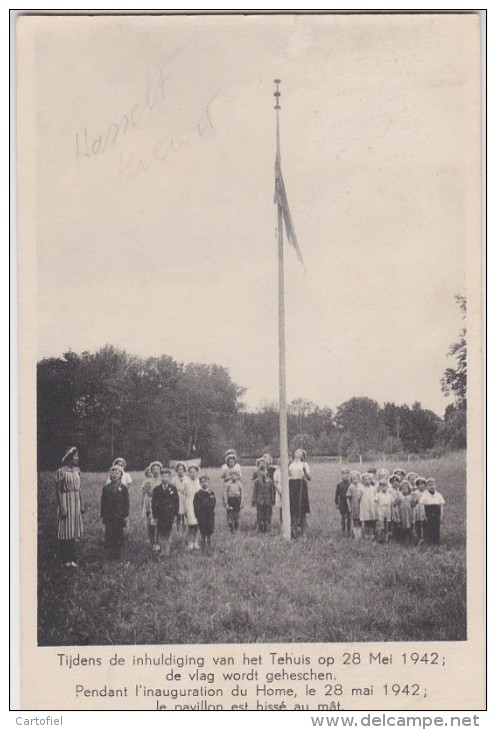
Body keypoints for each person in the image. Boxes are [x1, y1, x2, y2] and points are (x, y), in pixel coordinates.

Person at [55, 446, 84, 567]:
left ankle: (72, 558)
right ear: (69, 457)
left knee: (73, 530)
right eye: (75, 456)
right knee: (65, 530)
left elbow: (79, 488)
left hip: (75, 501)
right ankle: (64, 558)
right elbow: (58, 490)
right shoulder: (61, 472)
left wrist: (81, 504)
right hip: (66, 500)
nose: (77, 458)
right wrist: (62, 506)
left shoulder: (77, 471)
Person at [100, 464, 130, 559]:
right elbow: (103, 503)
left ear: (121, 474)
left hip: (119, 515)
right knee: (109, 533)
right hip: (109, 515)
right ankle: (110, 551)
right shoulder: (106, 488)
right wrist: (103, 516)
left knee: (118, 533)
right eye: (112, 472)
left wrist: (125, 515)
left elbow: (126, 502)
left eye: (117, 473)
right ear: (109, 475)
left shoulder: (123, 487)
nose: (114, 475)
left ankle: (117, 552)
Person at [152, 468, 179, 556]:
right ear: (160, 477)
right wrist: (155, 516)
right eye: (162, 476)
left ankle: (167, 550)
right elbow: (154, 503)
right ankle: (162, 549)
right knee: (161, 532)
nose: (164, 478)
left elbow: (176, 502)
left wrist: (175, 515)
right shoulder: (156, 489)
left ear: (169, 477)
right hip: (160, 514)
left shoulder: (173, 488)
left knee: (168, 532)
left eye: (166, 476)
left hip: (169, 514)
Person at [288, 448, 311, 539]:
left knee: (302, 508)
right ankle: (293, 530)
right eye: (296, 451)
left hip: (301, 484)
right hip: (292, 485)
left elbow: (309, 477)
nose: (297, 452)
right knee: (293, 508)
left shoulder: (304, 464)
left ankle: (303, 531)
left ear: (303, 455)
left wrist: (305, 471)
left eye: (300, 452)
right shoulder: (290, 463)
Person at [141, 461, 162, 550]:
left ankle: (158, 541)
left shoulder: (162, 480)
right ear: (151, 470)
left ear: (160, 470)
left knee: (160, 523)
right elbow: (145, 493)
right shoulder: (147, 482)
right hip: (150, 503)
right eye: (154, 469)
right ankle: (152, 541)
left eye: (157, 469)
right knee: (152, 523)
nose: (156, 471)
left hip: (161, 503)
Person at [194, 475, 216, 553]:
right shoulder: (198, 494)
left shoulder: (211, 493)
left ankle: (209, 545)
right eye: (202, 482)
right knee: (203, 530)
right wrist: (197, 515)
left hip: (210, 515)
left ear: (209, 482)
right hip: (202, 515)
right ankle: (203, 547)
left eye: (206, 481)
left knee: (209, 529)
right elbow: (196, 505)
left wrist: (208, 507)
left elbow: (213, 504)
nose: (204, 484)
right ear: (200, 483)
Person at [420, 478, 446, 545]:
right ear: (427, 486)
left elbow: (441, 506)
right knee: (428, 527)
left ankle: (436, 541)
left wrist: (441, 515)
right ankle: (428, 541)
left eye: (433, 485)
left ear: (435, 485)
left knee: (436, 526)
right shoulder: (425, 495)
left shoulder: (438, 495)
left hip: (436, 511)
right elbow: (422, 505)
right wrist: (424, 515)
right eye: (430, 485)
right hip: (428, 511)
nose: (432, 486)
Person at [251, 462, 273, 534]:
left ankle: (267, 528)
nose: (263, 472)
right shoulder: (257, 481)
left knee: (267, 514)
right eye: (262, 470)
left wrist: (272, 500)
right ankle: (259, 527)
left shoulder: (269, 481)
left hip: (267, 500)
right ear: (259, 471)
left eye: (265, 470)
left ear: (267, 471)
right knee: (259, 514)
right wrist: (253, 501)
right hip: (259, 501)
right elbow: (254, 491)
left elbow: (271, 491)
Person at [223, 467, 244, 534]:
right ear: (230, 476)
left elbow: (242, 494)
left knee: (236, 514)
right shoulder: (227, 484)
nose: (234, 476)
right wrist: (226, 503)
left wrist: (242, 502)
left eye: (235, 475)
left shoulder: (240, 484)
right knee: (230, 513)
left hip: (237, 500)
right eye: (232, 475)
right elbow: (225, 494)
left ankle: (236, 527)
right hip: (230, 500)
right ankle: (230, 527)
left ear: (238, 476)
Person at [185, 464, 201, 550]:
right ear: (188, 473)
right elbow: (184, 494)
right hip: (190, 503)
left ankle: (196, 542)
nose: (192, 474)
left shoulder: (199, 481)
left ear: (197, 472)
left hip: (198, 504)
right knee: (191, 524)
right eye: (190, 472)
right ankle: (190, 542)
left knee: (197, 524)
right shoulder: (186, 482)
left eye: (194, 472)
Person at [375, 478, 394, 543]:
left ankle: (386, 538)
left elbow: (391, 505)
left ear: (387, 487)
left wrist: (392, 513)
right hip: (381, 510)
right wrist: (376, 513)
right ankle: (380, 538)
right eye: (382, 486)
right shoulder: (378, 495)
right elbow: (376, 504)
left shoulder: (390, 495)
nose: (384, 488)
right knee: (381, 526)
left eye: (385, 486)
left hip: (388, 510)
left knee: (387, 525)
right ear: (379, 487)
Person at [359, 472, 377, 540]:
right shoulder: (361, 489)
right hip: (365, 506)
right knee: (366, 521)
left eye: (368, 479)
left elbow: (375, 497)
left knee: (372, 521)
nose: (367, 481)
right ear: (363, 481)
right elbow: (359, 498)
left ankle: (372, 534)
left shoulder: (373, 488)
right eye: (365, 480)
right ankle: (366, 534)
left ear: (371, 480)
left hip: (372, 506)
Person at [346, 470, 363, 539]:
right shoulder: (351, 487)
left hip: (360, 505)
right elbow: (348, 497)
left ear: (359, 479)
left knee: (360, 519)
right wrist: (349, 506)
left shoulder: (361, 486)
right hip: (354, 505)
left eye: (356, 479)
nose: (355, 480)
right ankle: (355, 534)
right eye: (353, 479)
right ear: (351, 480)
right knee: (355, 519)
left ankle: (360, 533)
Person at [411, 477, 427, 544]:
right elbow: (412, 503)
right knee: (418, 523)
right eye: (419, 484)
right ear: (417, 486)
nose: (421, 486)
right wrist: (416, 501)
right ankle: (419, 537)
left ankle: (425, 537)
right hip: (418, 509)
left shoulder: (427, 492)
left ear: (424, 485)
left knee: (425, 523)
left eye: (422, 484)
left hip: (425, 508)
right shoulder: (415, 493)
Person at [335, 467, 351, 535]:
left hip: (349, 502)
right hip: (342, 502)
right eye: (343, 474)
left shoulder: (350, 484)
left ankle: (349, 530)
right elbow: (337, 494)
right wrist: (337, 503)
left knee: (349, 517)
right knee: (343, 516)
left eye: (346, 474)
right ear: (341, 475)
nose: (345, 476)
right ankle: (343, 529)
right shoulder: (339, 485)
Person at [174, 462, 188, 536]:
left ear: (184, 470)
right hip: (177, 499)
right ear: (176, 470)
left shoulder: (187, 479)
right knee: (178, 515)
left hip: (184, 498)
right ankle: (178, 531)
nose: (180, 471)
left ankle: (184, 531)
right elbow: (172, 489)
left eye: (182, 469)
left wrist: (185, 491)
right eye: (179, 469)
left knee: (185, 516)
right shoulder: (174, 479)